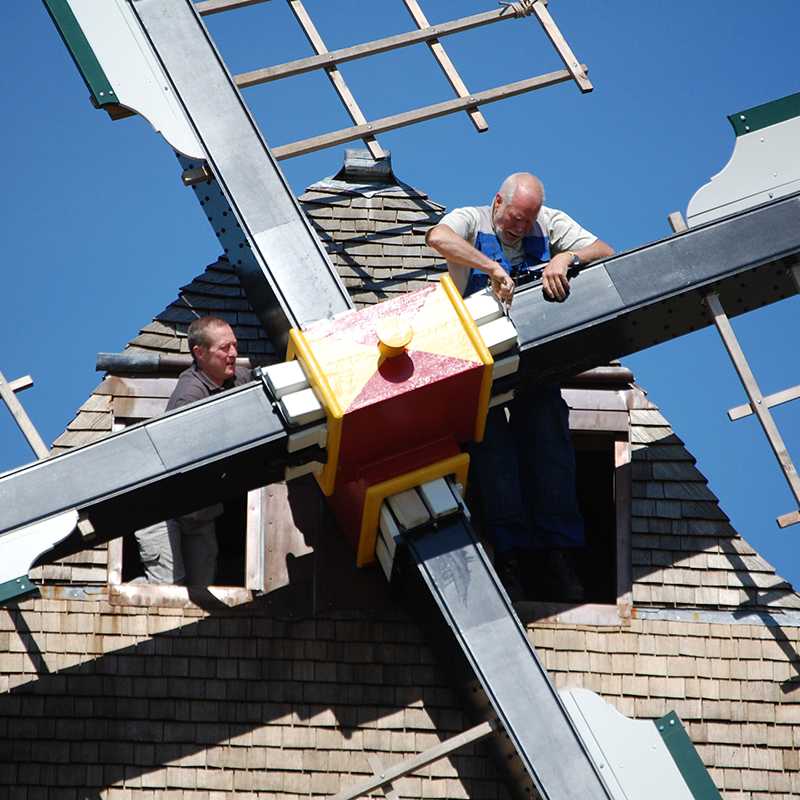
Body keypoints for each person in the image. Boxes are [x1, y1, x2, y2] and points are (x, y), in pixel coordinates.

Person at [426, 173, 614, 601]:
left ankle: (558, 552)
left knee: (551, 444)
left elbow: (603, 250)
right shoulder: (471, 220)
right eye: (513, 219)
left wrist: (564, 260)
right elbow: (437, 237)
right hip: (482, 368)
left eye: (526, 223)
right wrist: (490, 266)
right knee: (494, 457)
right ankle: (510, 554)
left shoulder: (548, 223)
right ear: (497, 203)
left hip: (535, 364)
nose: (519, 229)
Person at [134, 316, 252, 586]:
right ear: (199, 353)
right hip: (161, 508)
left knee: (201, 588)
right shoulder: (188, 398)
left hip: (199, 510)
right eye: (225, 348)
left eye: (235, 346)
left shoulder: (238, 380)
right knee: (167, 588)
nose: (234, 354)